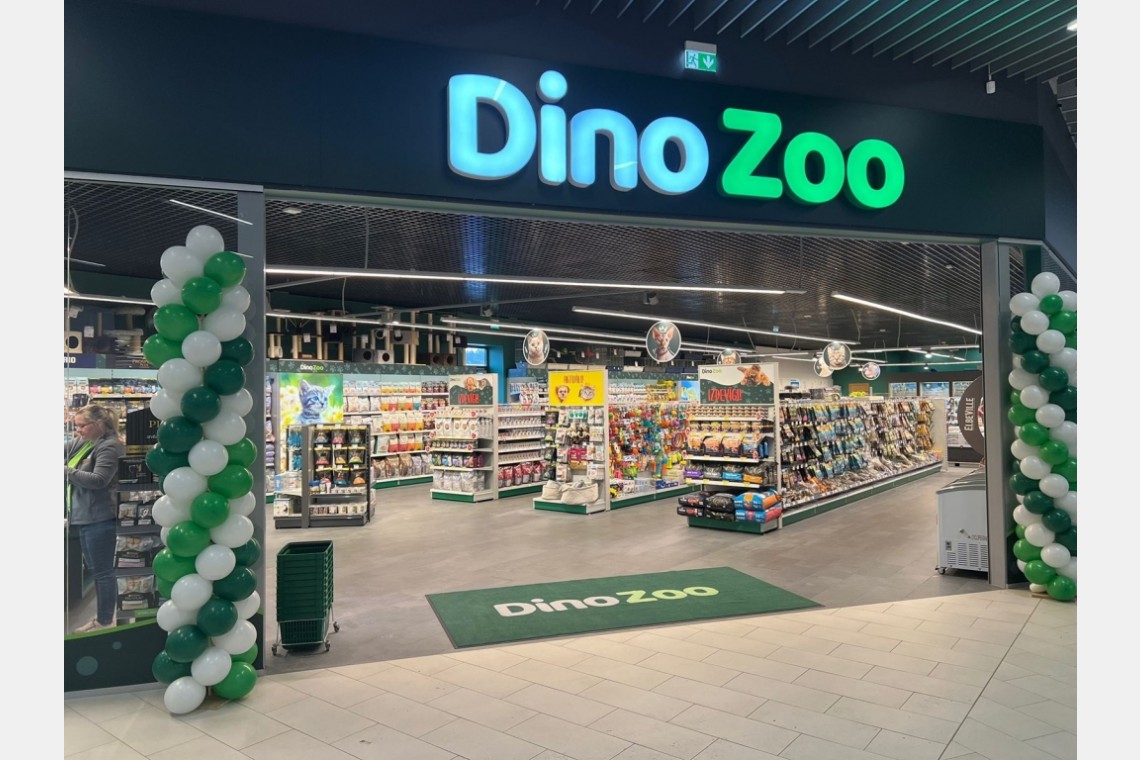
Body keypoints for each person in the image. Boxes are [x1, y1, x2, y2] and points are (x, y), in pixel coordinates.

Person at [65, 404, 125, 632]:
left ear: (99, 424)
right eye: (76, 426)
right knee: (97, 569)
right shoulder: (86, 443)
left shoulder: (110, 446)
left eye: (82, 426)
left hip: (100, 518)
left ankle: (104, 620)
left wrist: (66, 472)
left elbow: (99, 480)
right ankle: (103, 618)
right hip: (85, 517)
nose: (78, 430)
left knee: (103, 572)